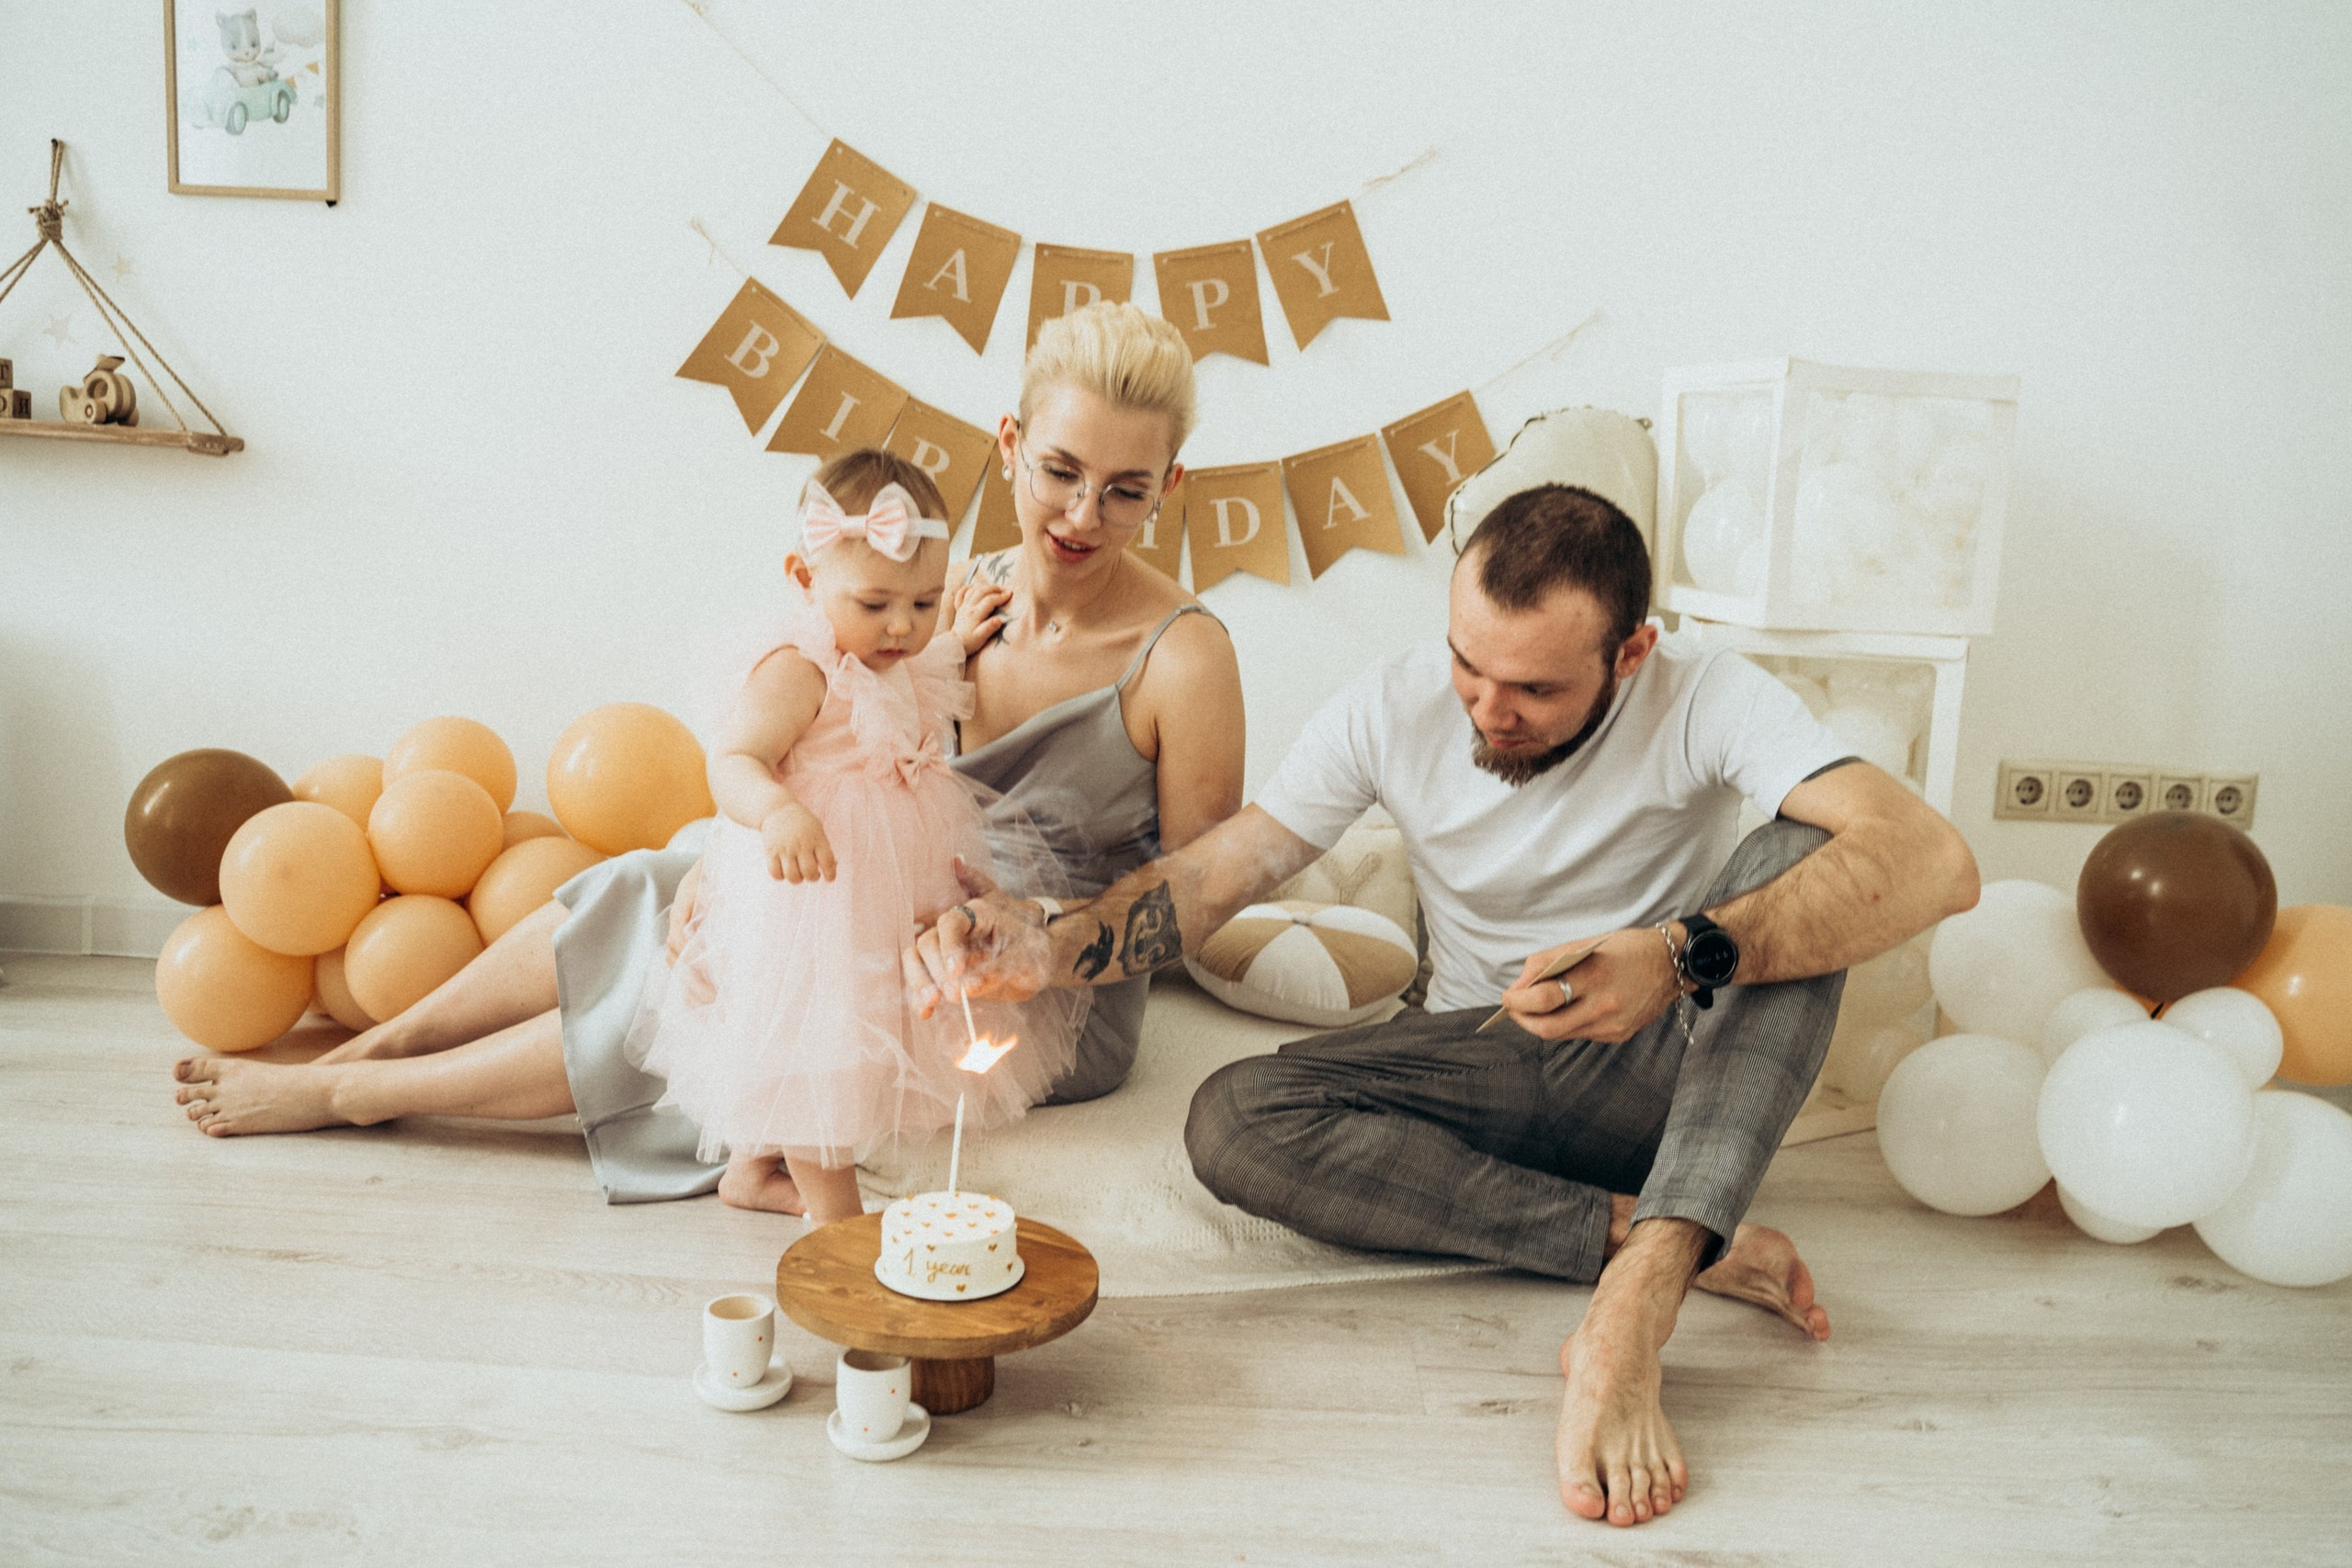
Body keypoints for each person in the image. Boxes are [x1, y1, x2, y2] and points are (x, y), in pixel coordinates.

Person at [909, 483, 1980, 1529]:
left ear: (1630, 653)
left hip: (1672, 1068)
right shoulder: (1391, 700)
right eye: (1469, 664)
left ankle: (1642, 1295)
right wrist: (1046, 945)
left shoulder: (1705, 692)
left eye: (1535, 690)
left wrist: (1675, 955)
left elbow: (1932, 862)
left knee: (1808, 855)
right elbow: (1219, 873)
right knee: (1232, 1117)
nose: (1487, 707)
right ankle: (1649, 1233)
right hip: (1480, 1052)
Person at [173, 302, 1246, 1219]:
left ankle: (350, 1097)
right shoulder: (932, 592)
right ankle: (370, 1052)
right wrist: (719, 879)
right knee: (672, 879)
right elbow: (834, 761)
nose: (1079, 515)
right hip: (874, 889)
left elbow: (1200, 899)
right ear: (1009, 444)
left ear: (1169, 486)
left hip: (1021, 984)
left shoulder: (1183, 658)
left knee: (738, 983)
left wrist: (1038, 945)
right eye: (1060, 471)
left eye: (1125, 489)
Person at [630, 450, 1084, 1225]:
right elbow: (733, 758)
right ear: (805, 581)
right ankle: (833, 1215)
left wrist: (957, 637)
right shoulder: (797, 671)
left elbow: (911, 672)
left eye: (923, 601)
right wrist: (776, 810)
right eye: (875, 605)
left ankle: (750, 1170)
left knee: (869, 1026)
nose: (902, 627)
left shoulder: (903, 652)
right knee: (818, 1050)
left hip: (887, 888)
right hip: (815, 893)